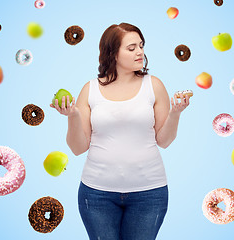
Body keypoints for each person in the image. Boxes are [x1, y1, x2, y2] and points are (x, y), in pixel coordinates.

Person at [50, 22, 190, 240]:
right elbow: (77, 148)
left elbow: (164, 140)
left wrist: (176, 113)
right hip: (96, 195)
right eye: (131, 48)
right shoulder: (90, 89)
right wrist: (73, 116)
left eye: (141, 46)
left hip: (150, 194)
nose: (140, 52)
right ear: (113, 53)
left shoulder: (154, 85)